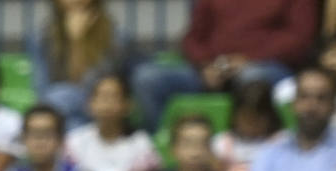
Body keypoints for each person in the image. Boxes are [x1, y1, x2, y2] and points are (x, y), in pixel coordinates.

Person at [130, 0, 319, 131]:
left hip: (268, 67)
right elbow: (192, 38)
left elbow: (300, 40)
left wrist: (249, 59)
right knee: (147, 78)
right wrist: (206, 65)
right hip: (212, 68)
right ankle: (156, 155)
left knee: (251, 80)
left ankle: (242, 149)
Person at [28, 0, 132, 130]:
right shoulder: (40, 37)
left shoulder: (116, 37)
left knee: (62, 96)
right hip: (60, 110)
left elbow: (95, 87)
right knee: (65, 109)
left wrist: (77, 43)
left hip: (101, 110)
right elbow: (42, 90)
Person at [212, 81, 285, 171]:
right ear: (235, 116)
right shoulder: (222, 143)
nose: (251, 126)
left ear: (270, 117)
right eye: (246, 120)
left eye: (256, 120)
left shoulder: (281, 142)